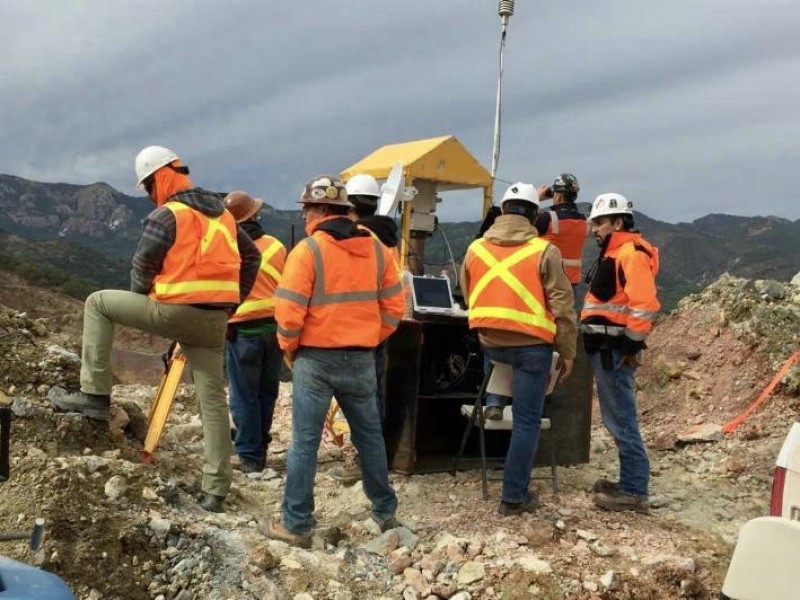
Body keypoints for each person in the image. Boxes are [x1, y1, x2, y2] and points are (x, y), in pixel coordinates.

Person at [48, 146, 261, 513]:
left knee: (97, 302)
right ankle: (215, 490)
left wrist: (142, 305)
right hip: (213, 320)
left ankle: (94, 397)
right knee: (211, 400)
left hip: (173, 311)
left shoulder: (168, 215)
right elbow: (252, 257)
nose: (149, 195)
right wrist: (232, 304)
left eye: (148, 186)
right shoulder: (224, 217)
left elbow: (143, 264)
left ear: (160, 177)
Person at [266, 175, 405, 547]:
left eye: (308, 208)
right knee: (370, 438)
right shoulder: (378, 250)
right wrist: (370, 339)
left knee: (305, 443)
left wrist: (290, 348)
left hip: (315, 359)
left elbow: (289, 314)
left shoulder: (307, 251)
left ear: (320, 210)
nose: (307, 215)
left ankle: (297, 525)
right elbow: (395, 306)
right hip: (361, 359)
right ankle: (385, 513)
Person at [461, 182, 578, 516]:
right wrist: (568, 352)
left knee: (496, 369)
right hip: (532, 350)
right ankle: (513, 498)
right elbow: (563, 306)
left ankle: (494, 402)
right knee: (527, 421)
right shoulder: (544, 251)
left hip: (490, 345)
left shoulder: (475, 249)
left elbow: (470, 296)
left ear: (502, 211)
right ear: (534, 215)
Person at [581, 192, 660, 514]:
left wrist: (629, 345)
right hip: (606, 348)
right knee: (617, 418)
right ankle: (629, 482)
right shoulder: (614, 253)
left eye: (600, 222)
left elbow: (645, 305)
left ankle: (634, 490)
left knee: (621, 421)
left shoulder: (629, 253)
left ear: (618, 221)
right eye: (594, 223)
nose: (594, 229)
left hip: (613, 350)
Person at [328, 173, 400, 485]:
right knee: (374, 396)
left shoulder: (355, 240)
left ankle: (361, 461)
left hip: (351, 332)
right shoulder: (388, 240)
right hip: (379, 329)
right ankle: (373, 458)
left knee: (357, 400)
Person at [223, 191, 286, 474]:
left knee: (243, 395)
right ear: (256, 215)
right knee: (266, 392)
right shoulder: (276, 246)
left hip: (242, 330)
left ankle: (249, 455)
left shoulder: (227, 248)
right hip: (275, 330)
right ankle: (259, 448)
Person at [535, 173, 589, 295]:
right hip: (572, 282)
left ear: (558, 196)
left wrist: (536, 198)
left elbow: (522, 225)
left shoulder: (548, 218)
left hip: (548, 281)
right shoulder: (584, 221)